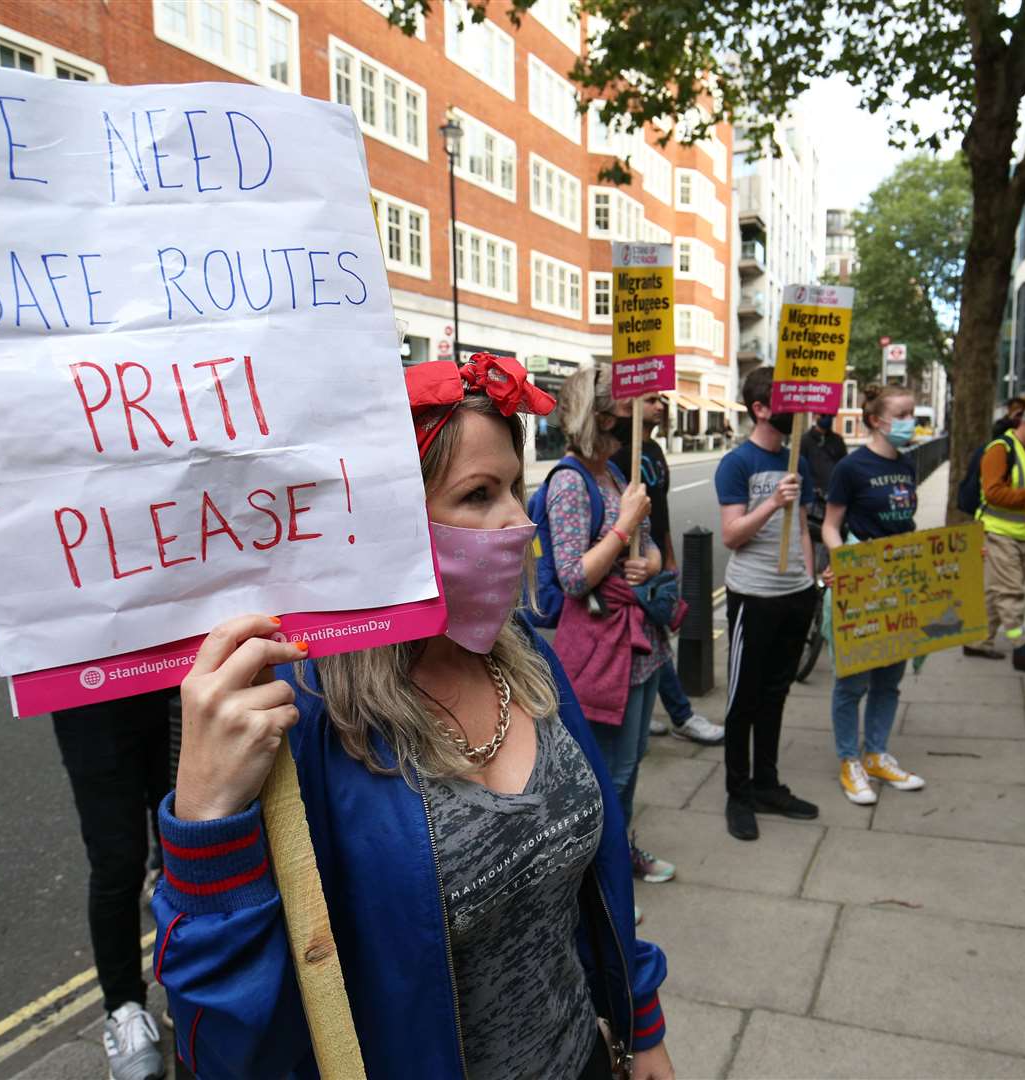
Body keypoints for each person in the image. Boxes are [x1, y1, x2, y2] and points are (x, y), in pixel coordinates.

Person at [152, 355, 675, 1080]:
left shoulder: (525, 656)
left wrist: (640, 1020)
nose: (520, 522)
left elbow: (599, 875)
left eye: (516, 488)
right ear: (387, 518)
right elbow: (231, 1044)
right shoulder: (306, 722)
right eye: (479, 494)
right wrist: (207, 826)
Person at [550, 364, 676, 888]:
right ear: (596, 416)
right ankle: (603, 883)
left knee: (633, 763)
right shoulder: (569, 481)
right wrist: (624, 526)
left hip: (640, 646)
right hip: (605, 650)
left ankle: (620, 854)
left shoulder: (613, 473)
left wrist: (647, 560)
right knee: (609, 773)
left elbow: (637, 548)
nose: (636, 424)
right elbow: (574, 576)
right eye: (626, 414)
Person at [715, 367, 820, 841]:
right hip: (753, 598)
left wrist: (811, 580)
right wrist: (773, 502)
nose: (795, 409)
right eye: (785, 400)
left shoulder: (801, 461)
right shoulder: (738, 464)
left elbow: (802, 529)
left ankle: (767, 784)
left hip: (794, 595)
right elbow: (732, 535)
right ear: (760, 408)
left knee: (777, 695)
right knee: (744, 700)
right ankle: (738, 795)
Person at [52, 691, 172, 1080]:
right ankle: (122, 1009)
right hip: (90, 697)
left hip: (177, 676)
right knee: (117, 863)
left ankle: (187, 984)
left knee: (186, 843)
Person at [820, 385, 927, 805]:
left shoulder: (907, 465)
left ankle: (877, 753)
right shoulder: (851, 467)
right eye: (902, 413)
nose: (909, 421)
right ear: (878, 420)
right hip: (864, 582)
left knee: (890, 678)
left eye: (912, 412)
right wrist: (844, 559)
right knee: (852, 680)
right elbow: (830, 524)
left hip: (900, 580)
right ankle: (850, 760)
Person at [610, 391, 725, 746]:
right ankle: (681, 715)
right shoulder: (618, 452)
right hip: (630, 563)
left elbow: (660, 509)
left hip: (656, 558)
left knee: (652, 641)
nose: (660, 406)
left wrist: (670, 556)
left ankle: (643, 714)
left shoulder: (656, 451)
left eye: (661, 400)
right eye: (650, 400)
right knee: (654, 641)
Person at [964, 401, 1025, 674]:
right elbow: (993, 492)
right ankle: (1020, 648)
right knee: (1011, 593)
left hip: (1024, 535)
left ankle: (977, 641)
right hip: (999, 533)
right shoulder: (1000, 449)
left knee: (995, 591)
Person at [799, 412, 847, 519]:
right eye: (823, 415)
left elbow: (844, 468)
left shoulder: (838, 441)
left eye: (830, 416)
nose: (827, 418)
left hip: (834, 497)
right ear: (815, 415)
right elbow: (800, 470)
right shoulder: (804, 441)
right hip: (813, 501)